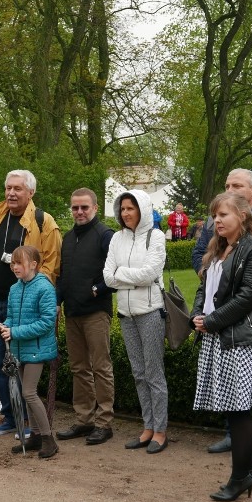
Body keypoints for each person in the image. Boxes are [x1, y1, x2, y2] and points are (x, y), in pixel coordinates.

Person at [193, 168, 252, 460]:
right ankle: (232, 432)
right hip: (220, 315)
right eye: (227, 185)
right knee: (229, 378)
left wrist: (230, 280)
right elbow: (200, 257)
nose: (231, 189)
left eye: (237, 185)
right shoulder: (218, 222)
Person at [191, 192, 252, 501]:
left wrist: (211, 322)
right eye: (215, 215)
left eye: (224, 214)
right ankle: (249, 469)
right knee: (231, 409)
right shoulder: (219, 249)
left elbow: (248, 297)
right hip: (218, 337)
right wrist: (196, 315)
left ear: (243, 216)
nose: (217, 220)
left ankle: (240, 476)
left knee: (238, 410)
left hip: (238, 340)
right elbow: (205, 289)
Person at [0, 170, 61, 436]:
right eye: (8, 188)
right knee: (0, 364)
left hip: (25, 306)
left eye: (18, 189)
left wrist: (29, 293)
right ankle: (11, 417)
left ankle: (29, 424)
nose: (11, 193)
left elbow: (51, 265)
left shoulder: (43, 221)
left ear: (31, 192)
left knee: (23, 366)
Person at [103, 189, 169, 453]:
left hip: (151, 311)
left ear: (142, 209)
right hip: (126, 314)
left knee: (154, 374)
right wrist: (129, 277)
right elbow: (107, 277)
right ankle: (148, 427)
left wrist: (121, 274)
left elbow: (150, 273)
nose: (125, 213)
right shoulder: (117, 238)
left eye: (131, 208)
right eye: (122, 209)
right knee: (139, 374)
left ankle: (161, 431)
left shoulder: (156, 236)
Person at [55, 188, 116, 446]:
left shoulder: (105, 235)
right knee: (78, 368)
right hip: (72, 312)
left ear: (95, 208)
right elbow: (62, 276)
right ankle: (84, 419)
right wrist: (56, 303)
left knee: (100, 367)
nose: (79, 212)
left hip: (95, 312)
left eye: (84, 207)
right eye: (75, 208)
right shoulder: (68, 238)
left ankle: (104, 423)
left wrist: (97, 289)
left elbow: (116, 272)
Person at [0, 246, 59, 458]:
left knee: (29, 392)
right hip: (20, 349)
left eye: (19, 263)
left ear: (33, 265)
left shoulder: (44, 287)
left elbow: (47, 322)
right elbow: (12, 318)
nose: (14, 267)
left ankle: (49, 439)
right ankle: (36, 436)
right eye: (13, 263)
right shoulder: (14, 289)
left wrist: (15, 332)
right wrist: (3, 326)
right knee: (25, 393)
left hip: (37, 350)